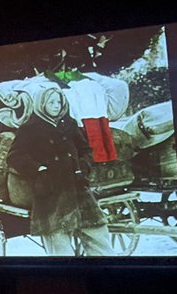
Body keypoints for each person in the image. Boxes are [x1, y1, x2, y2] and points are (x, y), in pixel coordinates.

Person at [6, 85, 113, 256]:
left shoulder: (69, 124)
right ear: (42, 104)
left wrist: (83, 167)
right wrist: (38, 169)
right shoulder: (30, 128)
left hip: (78, 188)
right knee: (59, 246)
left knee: (98, 234)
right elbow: (14, 157)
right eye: (51, 102)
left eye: (59, 101)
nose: (57, 105)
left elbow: (86, 150)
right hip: (51, 193)